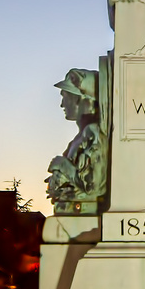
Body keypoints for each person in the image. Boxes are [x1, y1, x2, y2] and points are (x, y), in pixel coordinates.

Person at [46, 69, 107, 212]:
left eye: (65, 97)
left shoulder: (93, 133)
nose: (62, 105)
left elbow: (93, 187)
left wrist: (62, 165)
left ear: (80, 99)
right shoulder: (81, 137)